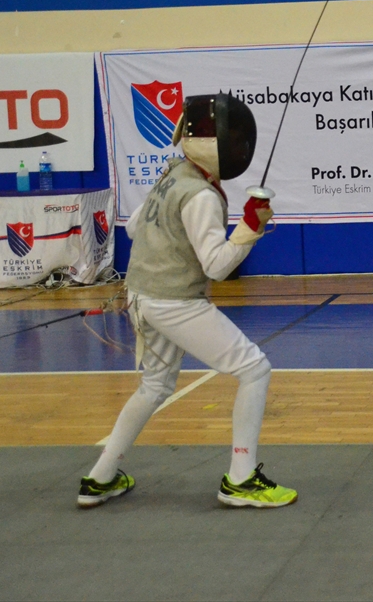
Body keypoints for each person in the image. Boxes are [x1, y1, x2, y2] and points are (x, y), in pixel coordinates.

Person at [78, 93, 297, 509]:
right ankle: (241, 479)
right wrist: (250, 227)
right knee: (255, 370)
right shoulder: (200, 195)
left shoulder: (173, 174)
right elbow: (216, 266)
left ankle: (100, 478)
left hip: (141, 295)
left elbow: (133, 229)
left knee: (155, 385)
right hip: (173, 302)